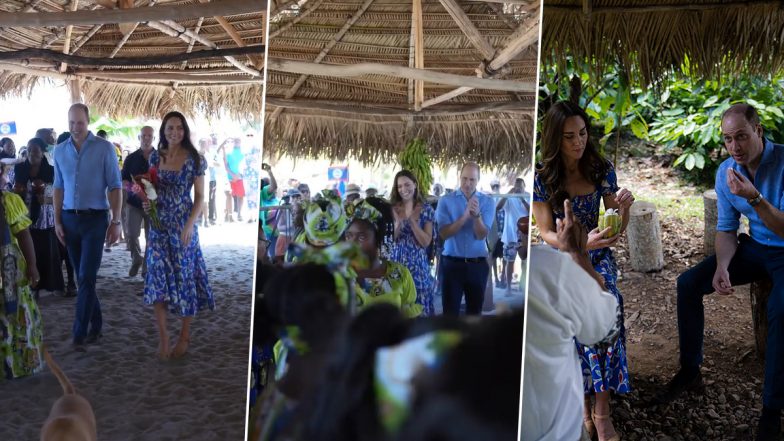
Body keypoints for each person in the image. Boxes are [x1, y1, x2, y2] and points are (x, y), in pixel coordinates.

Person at [653, 103, 784, 441]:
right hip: (755, 248)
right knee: (688, 283)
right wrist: (723, 265)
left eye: (741, 136)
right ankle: (690, 370)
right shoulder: (727, 171)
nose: (735, 147)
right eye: (728, 139)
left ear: (758, 130)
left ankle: (771, 409)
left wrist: (754, 198)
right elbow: (727, 229)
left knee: (779, 310)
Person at [532, 100, 634, 441]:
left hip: (599, 259)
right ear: (554, 140)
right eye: (569, 136)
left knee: (605, 310)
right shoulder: (542, 178)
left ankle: (601, 412)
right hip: (563, 258)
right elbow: (545, 232)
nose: (579, 142)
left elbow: (614, 230)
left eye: (583, 133)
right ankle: (582, 403)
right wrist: (575, 245)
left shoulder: (601, 168)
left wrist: (622, 210)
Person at [522, 199, 621, 441]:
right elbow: (606, 329)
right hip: (558, 430)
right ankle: (590, 411)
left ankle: (598, 411)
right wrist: (576, 254)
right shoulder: (548, 268)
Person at [143, 111, 214, 360]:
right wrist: (146, 203)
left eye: (179, 128)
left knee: (184, 279)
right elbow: (151, 189)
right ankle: (163, 338)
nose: (175, 132)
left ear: (185, 131)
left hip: (183, 225)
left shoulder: (195, 159)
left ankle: (184, 335)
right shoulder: (155, 156)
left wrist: (189, 225)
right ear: (163, 130)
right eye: (170, 128)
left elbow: (201, 197)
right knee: (157, 280)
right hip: (158, 225)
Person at [54, 103, 123, 352]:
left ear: (88, 121)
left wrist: (116, 222)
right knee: (84, 278)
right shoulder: (60, 151)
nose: (75, 127)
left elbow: (116, 186)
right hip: (69, 220)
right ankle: (96, 325)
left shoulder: (105, 149)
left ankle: (78, 333)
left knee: (86, 276)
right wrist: (57, 221)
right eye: (71, 122)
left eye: (80, 122)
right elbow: (58, 187)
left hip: (96, 220)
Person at [345, 197, 422, 318]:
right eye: (349, 236)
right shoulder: (339, 275)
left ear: (379, 238)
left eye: (361, 237)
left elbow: (410, 323)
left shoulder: (400, 274)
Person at [435, 162, 495, 315]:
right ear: (459, 177)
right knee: (450, 315)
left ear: (478, 180)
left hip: (477, 265)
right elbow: (444, 234)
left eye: (472, 180)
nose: (467, 183)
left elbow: (481, 235)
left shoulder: (488, 202)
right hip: (451, 264)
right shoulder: (445, 201)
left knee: (474, 315)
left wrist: (476, 216)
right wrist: (464, 217)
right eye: (464, 179)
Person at [0, 170, 42, 381]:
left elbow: (24, 235)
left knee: (16, 315)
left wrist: (32, 265)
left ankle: (18, 365)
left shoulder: (8, 201)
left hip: (10, 270)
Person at [14, 138, 63, 297]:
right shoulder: (20, 168)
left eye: (35, 151)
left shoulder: (50, 170)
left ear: (42, 153)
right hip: (25, 212)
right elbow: (17, 189)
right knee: (28, 247)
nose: (31, 154)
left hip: (45, 215)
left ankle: (45, 285)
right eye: (29, 150)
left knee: (46, 249)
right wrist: (18, 192)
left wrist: (46, 200)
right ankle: (30, 283)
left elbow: (59, 195)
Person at [389, 170, 436, 316]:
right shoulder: (392, 209)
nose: (404, 189)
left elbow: (426, 242)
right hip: (396, 263)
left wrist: (412, 222)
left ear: (415, 185)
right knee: (398, 304)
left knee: (420, 308)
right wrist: (397, 223)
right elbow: (390, 240)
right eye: (400, 186)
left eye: (407, 185)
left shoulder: (426, 209)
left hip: (418, 266)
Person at [122, 126, 155, 279]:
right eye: (143, 136)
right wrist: (131, 188)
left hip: (153, 204)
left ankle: (146, 267)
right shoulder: (131, 158)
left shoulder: (160, 157)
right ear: (139, 138)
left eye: (149, 136)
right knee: (131, 233)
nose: (146, 138)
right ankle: (136, 258)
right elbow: (123, 180)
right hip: (133, 203)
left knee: (151, 237)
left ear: (153, 138)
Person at [497, 178, 530, 296]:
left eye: (520, 186)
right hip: (510, 235)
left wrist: (522, 199)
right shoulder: (509, 198)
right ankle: (508, 288)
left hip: (523, 236)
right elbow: (498, 207)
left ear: (524, 187)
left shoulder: (528, 196)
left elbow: (532, 212)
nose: (518, 188)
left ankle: (522, 284)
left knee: (525, 261)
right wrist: (507, 195)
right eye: (516, 186)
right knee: (509, 261)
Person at [260, 163, 279, 259]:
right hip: (267, 232)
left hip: (278, 232)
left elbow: (274, 186)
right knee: (270, 257)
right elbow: (273, 186)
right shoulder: (262, 195)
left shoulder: (278, 200)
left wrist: (269, 172)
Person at [224, 138, 245, 222]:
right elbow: (226, 165)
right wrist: (232, 175)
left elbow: (245, 165)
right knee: (229, 196)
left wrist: (239, 174)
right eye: (235, 141)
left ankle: (239, 214)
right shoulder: (229, 153)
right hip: (230, 178)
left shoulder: (243, 153)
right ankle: (229, 215)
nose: (237, 142)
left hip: (240, 177)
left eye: (238, 141)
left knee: (241, 196)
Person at [490, 180, 505, 289]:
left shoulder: (503, 198)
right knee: (494, 257)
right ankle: (496, 278)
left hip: (503, 233)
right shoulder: (490, 199)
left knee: (505, 257)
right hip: (494, 233)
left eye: (497, 185)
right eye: (494, 186)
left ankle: (503, 277)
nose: (496, 187)